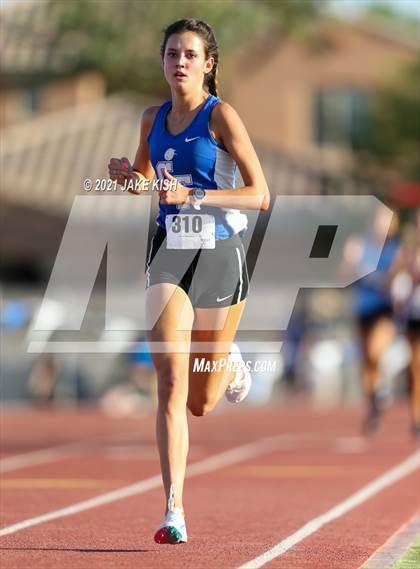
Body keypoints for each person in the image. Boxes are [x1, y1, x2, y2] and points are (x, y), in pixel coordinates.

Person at [108, 19, 269, 544]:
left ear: (208, 64)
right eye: (172, 53)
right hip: (170, 252)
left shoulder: (221, 116)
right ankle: (173, 507)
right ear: (163, 61)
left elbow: (260, 193)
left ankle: (231, 363)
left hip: (221, 253)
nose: (179, 62)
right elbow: (148, 181)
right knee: (171, 381)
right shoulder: (152, 117)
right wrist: (129, 181)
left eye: (189, 54)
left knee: (202, 400)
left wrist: (196, 197)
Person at [344, 209, 400, 433]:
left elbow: (394, 278)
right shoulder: (360, 244)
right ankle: (373, 407)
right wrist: (350, 262)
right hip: (362, 307)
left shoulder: (395, 249)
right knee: (366, 360)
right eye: (378, 220)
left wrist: (380, 276)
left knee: (375, 352)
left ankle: (382, 389)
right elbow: (344, 275)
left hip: (383, 309)